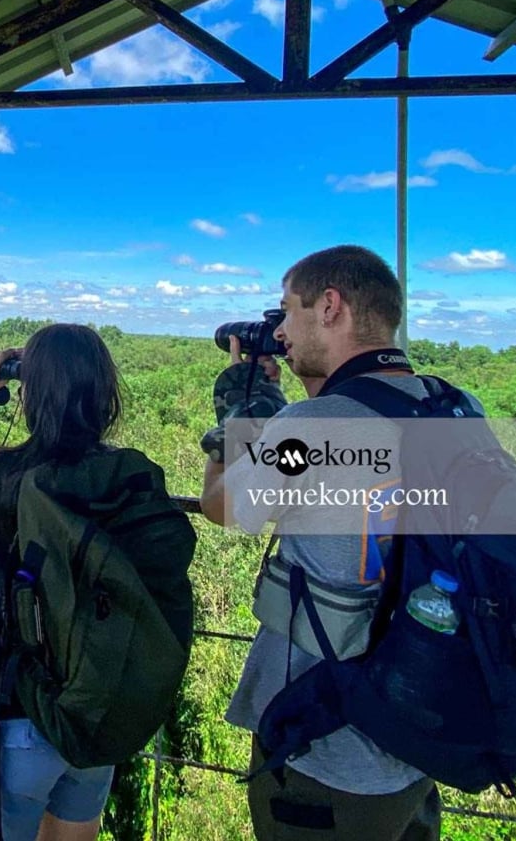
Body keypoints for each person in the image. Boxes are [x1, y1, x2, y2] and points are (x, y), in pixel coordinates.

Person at [198, 245, 443, 841]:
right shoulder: (450, 405)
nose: (280, 331)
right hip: (421, 734)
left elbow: (223, 505)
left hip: (325, 753)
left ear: (330, 306)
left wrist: (237, 416)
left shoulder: (313, 426)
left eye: (287, 311)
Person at [0, 324, 151, 841]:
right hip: (91, 711)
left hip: (11, 717)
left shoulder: (3, 479)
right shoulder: (129, 476)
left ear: (30, 395)